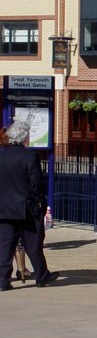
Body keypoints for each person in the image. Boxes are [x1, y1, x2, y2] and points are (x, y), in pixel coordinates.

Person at [0, 120, 59, 290]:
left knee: (5, 244)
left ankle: (3, 280)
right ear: (24, 137)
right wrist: (39, 202)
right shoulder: (29, 156)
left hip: (4, 208)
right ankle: (41, 275)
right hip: (27, 208)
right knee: (33, 244)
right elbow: (36, 183)